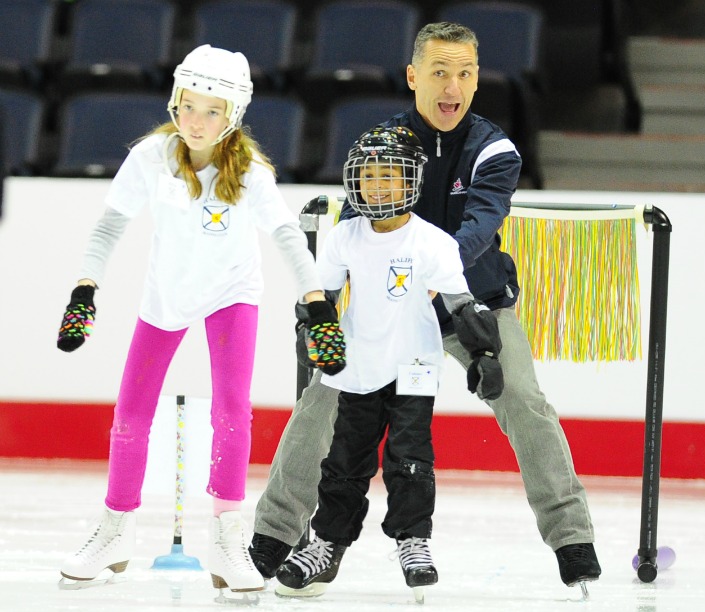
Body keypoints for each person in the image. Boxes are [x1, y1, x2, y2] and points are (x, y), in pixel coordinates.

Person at [250, 22, 601, 591]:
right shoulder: (385, 144)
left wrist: (428, 273)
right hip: (386, 314)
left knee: (524, 398)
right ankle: (274, 535)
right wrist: (322, 313)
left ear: (477, 79)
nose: (452, 86)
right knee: (322, 401)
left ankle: (572, 538)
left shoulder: (495, 150)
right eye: (440, 72)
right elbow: (353, 233)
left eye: (464, 73)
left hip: (472, 304)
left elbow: (479, 228)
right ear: (414, 77)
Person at [55, 45, 345, 597]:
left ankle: (227, 539)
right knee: (130, 416)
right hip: (165, 297)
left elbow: (285, 235)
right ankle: (115, 531)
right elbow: (110, 225)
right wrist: (84, 290)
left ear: (233, 115)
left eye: (212, 111)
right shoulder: (151, 157)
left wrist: (318, 303)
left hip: (231, 296)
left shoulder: (251, 172)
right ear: (175, 101)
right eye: (189, 105)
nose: (195, 120)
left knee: (233, 413)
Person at [273, 126, 503, 599]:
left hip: (414, 366)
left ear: (411, 181)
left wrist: (484, 353)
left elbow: (462, 303)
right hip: (357, 368)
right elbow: (320, 298)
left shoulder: (433, 242)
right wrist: (308, 331)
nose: (378, 186)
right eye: (370, 176)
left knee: (411, 458)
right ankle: (326, 544)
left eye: (389, 176)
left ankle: (413, 540)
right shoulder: (342, 238)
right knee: (344, 462)